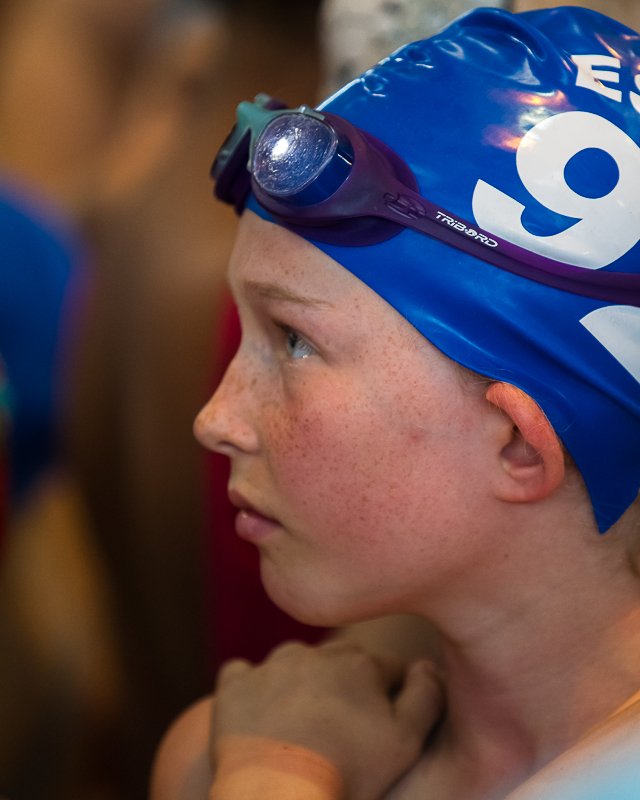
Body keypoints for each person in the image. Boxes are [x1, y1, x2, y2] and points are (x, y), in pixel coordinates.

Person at [152, 5, 640, 800]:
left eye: (293, 340)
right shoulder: (229, 753)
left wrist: (274, 778)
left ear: (518, 442)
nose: (215, 420)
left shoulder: (253, 763)